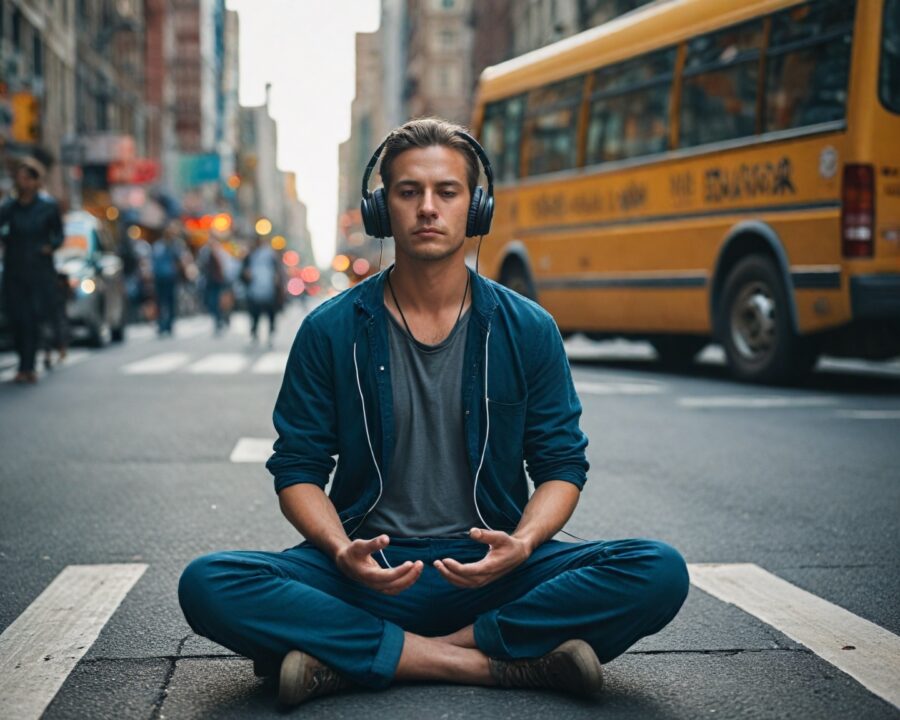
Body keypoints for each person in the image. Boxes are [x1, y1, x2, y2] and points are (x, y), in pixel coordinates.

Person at [178, 118, 688, 707]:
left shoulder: (527, 328)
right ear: (380, 209)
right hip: (366, 572)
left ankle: (359, 656)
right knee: (210, 584)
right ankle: (488, 661)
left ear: (476, 208)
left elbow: (562, 465)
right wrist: (341, 550)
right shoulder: (330, 329)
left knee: (658, 570)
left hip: (494, 570)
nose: (427, 208)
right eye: (408, 192)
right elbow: (298, 469)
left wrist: (522, 545)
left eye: (447, 192)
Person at [0, 156, 64, 384]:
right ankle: (23, 364)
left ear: (37, 181)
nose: (23, 182)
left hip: (38, 269)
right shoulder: (10, 207)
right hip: (15, 268)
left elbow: (59, 234)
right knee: (18, 318)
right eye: (20, 178)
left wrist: (50, 247)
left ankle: (31, 364)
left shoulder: (47, 207)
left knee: (34, 317)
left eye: (27, 178)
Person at [241, 234, 284, 347]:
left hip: (269, 289)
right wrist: (246, 275)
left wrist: (277, 280)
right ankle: (255, 333)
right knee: (255, 313)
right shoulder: (249, 256)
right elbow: (242, 271)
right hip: (254, 289)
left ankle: (270, 333)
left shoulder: (271, 255)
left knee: (270, 312)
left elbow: (278, 271)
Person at [152, 220, 186, 337]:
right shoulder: (160, 245)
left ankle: (167, 325)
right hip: (161, 277)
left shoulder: (174, 245)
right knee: (162, 302)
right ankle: (163, 325)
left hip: (169, 277)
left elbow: (181, 260)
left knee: (169, 302)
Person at [197, 235, 228, 335]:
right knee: (212, 302)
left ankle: (222, 319)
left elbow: (225, 266)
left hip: (218, 281)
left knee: (219, 302)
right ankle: (219, 319)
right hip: (210, 281)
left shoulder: (220, 252)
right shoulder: (205, 252)